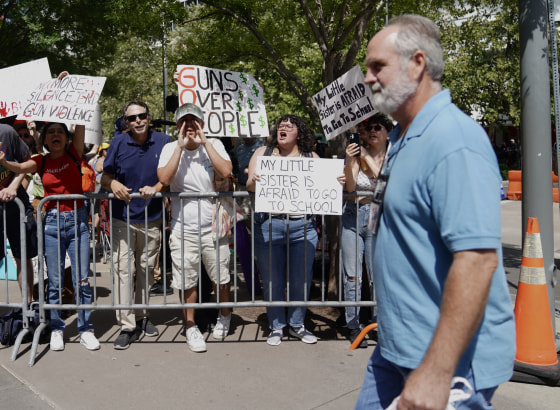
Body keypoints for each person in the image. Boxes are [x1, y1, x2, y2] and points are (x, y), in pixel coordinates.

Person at [354, 15, 515, 409]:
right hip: (397, 350)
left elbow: (477, 262)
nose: (368, 78)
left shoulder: (454, 140)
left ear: (417, 64)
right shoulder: (405, 136)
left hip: (449, 364)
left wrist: (437, 373)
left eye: (378, 66)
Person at [0, 77, 100, 351]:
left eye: (60, 131)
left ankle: (85, 328)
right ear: (44, 139)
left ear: (67, 138)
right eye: (50, 132)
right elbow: (18, 168)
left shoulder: (75, 154)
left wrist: (75, 93)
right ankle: (57, 328)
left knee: (81, 280)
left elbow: (79, 120)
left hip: (78, 225)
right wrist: (3, 162)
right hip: (52, 226)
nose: (55, 134)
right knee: (54, 283)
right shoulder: (40, 160)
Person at [157, 103, 233, 353]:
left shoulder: (215, 144)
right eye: (184, 122)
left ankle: (224, 316)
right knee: (186, 278)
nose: (190, 126)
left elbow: (226, 171)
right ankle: (190, 326)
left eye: (195, 121)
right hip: (183, 226)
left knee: (219, 276)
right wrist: (180, 146)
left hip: (213, 225)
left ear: (202, 123)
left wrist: (206, 143)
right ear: (177, 125)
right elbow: (164, 180)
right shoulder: (170, 148)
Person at [246, 115, 322, 346]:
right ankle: (276, 325)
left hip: (303, 227)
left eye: (290, 126)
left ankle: (298, 324)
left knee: (301, 279)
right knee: (272, 280)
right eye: (281, 125)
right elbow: (249, 184)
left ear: (299, 133)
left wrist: (335, 181)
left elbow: (323, 187)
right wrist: (254, 180)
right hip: (270, 226)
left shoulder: (312, 157)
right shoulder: (262, 154)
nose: (284, 128)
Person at [101, 101, 171, 350]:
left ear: (149, 118)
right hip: (123, 218)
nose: (138, 121)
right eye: (132, 118)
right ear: (126, 123)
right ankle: (127, 325)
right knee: (123, 271)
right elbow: (105, 176)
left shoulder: (164, 141)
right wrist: (113, 184)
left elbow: (170, 175)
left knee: (146, 271)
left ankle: (142, 317)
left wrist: (158, 188)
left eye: (142, 116)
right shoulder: (119, 142)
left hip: (152, 218)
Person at [341, 113, 392, 348]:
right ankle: (352, 324)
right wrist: (351, 160)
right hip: (353, 215)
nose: (372, 131)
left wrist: (366, 157)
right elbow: (351, 188)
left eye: (377, 127)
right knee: (352, 275)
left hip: (377, 217)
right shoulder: (357, 156)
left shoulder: (393, 157)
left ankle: (379, 324)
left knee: (377, 275)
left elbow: (384, 184)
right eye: (367, 128)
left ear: (387, 133)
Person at [0, 123, 38, 303]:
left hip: (16, 204)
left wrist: (13, 186)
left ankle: (28, 309)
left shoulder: (6, 131)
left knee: (22, 256)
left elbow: (26, 163)